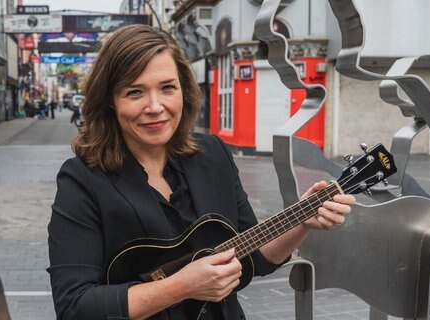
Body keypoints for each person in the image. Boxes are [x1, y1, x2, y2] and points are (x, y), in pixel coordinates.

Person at [47, 25, 355, 320]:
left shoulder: (212, 155)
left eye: (167, 88)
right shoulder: (82, 181)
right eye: (135, 92)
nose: (155, 106)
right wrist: (180, 287)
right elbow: (75, 306)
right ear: (110, 101)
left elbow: (254, 257)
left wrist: (302, 221)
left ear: (184, 90)